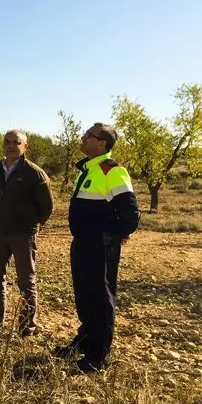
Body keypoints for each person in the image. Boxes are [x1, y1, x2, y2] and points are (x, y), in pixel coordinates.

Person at [54, 123, 139, 372]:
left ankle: (99, 355)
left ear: (102, 143)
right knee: (85, 294)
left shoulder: (112, 170)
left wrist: (117, 235)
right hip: (82, 242)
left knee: (100, 297)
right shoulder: (87, 169)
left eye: (88, 136)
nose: (83, 138)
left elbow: (130, 212)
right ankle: (85, 340)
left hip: (100, 244)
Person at [0, 130, 53, 336]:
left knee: (26, 281)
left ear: (25, 146)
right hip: (1, 231)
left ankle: (27, 326)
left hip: (23, 233)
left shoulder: (34, 173)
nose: (11, 146)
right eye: (7, 142)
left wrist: (32, 224)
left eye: (16, 142)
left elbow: (47, 207)